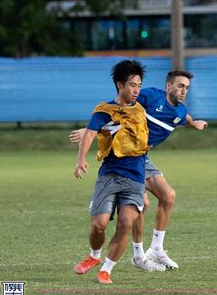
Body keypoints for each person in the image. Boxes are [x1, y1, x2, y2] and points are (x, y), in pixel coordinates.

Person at [70, 70, 208, 271]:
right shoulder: (151, 96)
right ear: (168, 86)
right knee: (142, 203)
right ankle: (138, 255)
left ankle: (156, 251)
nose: (184, 90)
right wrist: (94, 127)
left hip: (142, 158)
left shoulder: (179, 111)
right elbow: (120, 106)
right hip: (126, 157)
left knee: (168, 196)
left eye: (187, 87)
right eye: (180, 86)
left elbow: (183, 117)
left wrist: (194, 122)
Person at [73, 59, 158, 284]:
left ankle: (107, 270)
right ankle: (94, 257)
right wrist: (81, 159)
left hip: (135, 176)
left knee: (126, 223)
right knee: (98, 224)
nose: (137, 90)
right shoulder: (105, 111)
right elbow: (90, 133)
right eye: (132, 85)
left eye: (139, 85)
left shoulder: (141, 108)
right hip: (109, 174)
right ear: (120, 85)